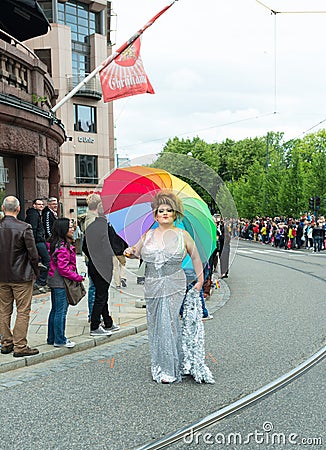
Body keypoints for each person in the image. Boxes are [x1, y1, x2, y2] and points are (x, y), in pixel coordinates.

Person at [124, 190, 204, 384]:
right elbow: (137, 252)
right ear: (155, 214)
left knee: (168, 321)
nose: (165, 213)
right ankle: (162, 361)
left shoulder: (182, 235)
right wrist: (130, 251)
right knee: (156, 323)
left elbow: (195, 257)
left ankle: (169, 368)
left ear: (175, 214)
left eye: (169, 210)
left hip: (175, 282)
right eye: (161, 210)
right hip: (152, 284)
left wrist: (200, 281)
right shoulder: (148, 235)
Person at [0, 196, 40, 357]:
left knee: (3, 310)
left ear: (3, 209)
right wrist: (36, 272)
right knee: (23, 311)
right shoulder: (24, 227)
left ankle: (6, 343)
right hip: (21, 276)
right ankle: (20, 345)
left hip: (2, 276)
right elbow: (33, 254)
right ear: (18, 209)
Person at [82, 199, 120, 336]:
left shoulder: (91, 226)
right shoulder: (108, 228)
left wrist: (93, 256)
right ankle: (95, 325)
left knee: (101, 292)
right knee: (101, 295)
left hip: (93, 264)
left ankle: (108, 322)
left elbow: (84, 247)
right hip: (104, 265)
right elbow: (115, 247)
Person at [47, 218, 85, 348]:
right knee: (61, 311)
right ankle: (60, 339)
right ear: (63, 229)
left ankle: (52, 338)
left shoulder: (57, 243)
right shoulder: (62, 247)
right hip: (60, 282)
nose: (73, 229)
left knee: (55, 310)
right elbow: (64, 269)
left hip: (55, 280)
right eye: (70, 227)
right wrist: (77, 277)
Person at [25, 198, 50, 294]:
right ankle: (40, 282)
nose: (41, 206)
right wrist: (34, 245)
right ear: (34, 205)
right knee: (47, 260)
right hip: (38, 242)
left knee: (44, 261)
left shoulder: (35, 214)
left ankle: (40, 282)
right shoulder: (34, 215)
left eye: (42, 204)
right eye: (39, 204)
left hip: (38, 241)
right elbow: (33, 229)